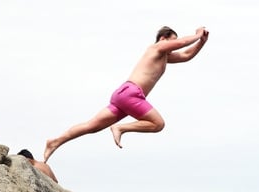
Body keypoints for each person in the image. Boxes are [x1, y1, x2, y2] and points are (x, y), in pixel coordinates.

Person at [44, 26, 209, 162]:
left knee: (91, 126)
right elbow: (183, 43)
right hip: (131, 94)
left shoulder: (164, 56)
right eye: (172, 41)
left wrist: (201, 41)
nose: (174, 45)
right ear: (163, 39)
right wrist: (197, 34)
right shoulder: (156, 48)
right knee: (158, 124)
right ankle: (120, 128)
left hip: (123, 96)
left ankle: (55, 141)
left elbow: (186, 55)